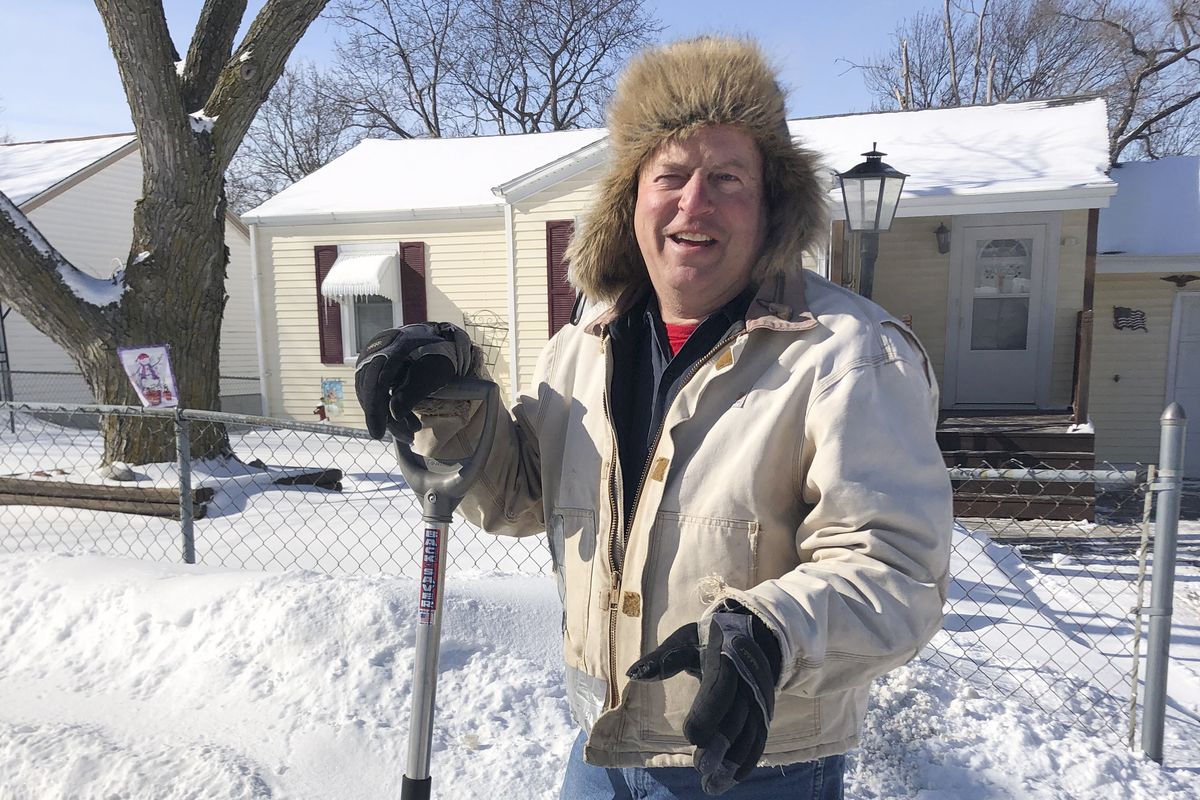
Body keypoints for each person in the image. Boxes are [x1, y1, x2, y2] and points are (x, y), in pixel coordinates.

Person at [355, 37, 953, 800]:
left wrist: (769, 633)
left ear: (771, 204)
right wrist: (447, 392)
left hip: (758, 766)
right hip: (602, 750)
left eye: (727, 178)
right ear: (631, 199)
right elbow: (520, 495)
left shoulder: (850, 356)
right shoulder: (582, 348)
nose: (693, 204)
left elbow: (897, 569)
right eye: (669, 175)